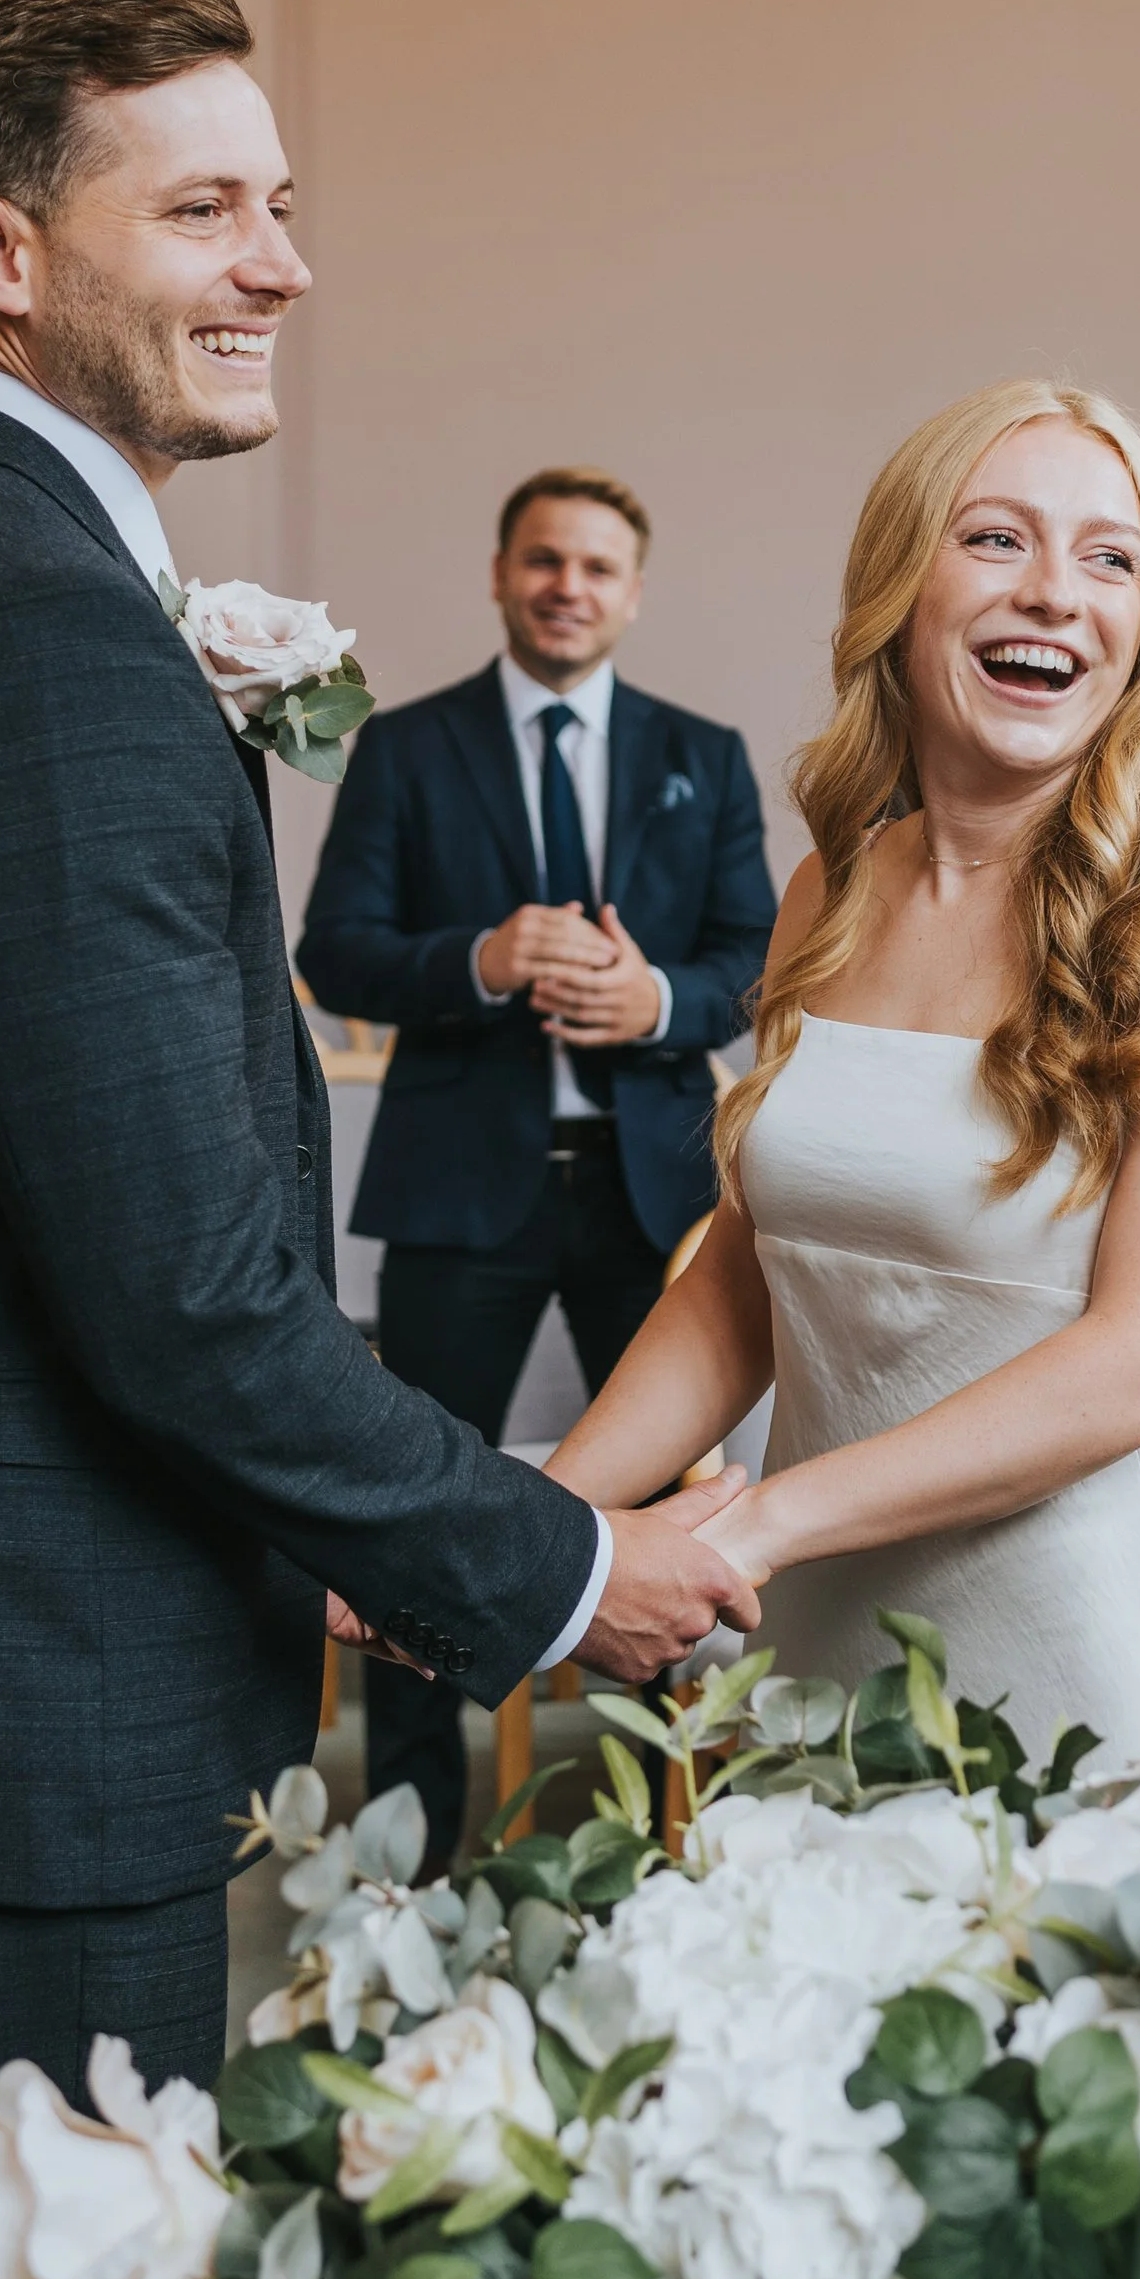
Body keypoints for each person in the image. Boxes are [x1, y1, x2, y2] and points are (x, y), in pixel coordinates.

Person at [0, 0, 755, 2143]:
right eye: (206, 210)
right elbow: (182, 1294)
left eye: (283, 204)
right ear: (0, 250)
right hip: (28, 1702)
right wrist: (559, 1562)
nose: (282, 266)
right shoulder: (35, 631)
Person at [534, 378, 1140, 1761]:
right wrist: (538, 1525)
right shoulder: (829, 890)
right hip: (812, 1651)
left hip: (1083, 1674)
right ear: (901, 585)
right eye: (995, 539)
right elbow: (743, 1279)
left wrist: (753, 1524)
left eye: (1109, 557)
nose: (1053, 594)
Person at [296, 466, 776, 1867]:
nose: (570, 585)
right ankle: (406, 1848)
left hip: (656, 1202)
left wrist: (665, 1007)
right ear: (503, 574)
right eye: (545, 560)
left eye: (598, 567)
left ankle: (670, 1824)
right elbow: (335, 951)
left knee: (680, 1513)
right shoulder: (407, 747)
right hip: (462, 1195)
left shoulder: (706, 750)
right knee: (410, 1512)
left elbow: (754, 962)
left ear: (633, 590)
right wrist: (478, 960)